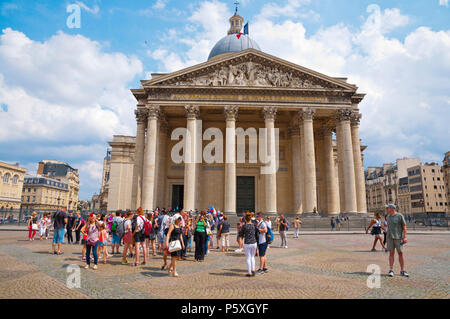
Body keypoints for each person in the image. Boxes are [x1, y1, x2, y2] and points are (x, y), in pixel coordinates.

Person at [385, 204, 409, 277]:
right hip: (390, 238)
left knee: (400, 253)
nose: (387, 209)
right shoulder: (388, 217)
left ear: (392, 209)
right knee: (391, 254)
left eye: (388, 208)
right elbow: (388, 228)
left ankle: (402, 270)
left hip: (399, 238)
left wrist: (404, 237)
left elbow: (404, 227)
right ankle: (391, 270)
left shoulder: (399, 216)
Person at [239, 212, 259, 277]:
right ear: (250, 219)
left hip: (247, 243)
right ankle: (253, 270)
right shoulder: (254, 225)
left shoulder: (244, 226)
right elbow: (257, 233)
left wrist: (241, 241)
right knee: (252, 257)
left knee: (248, 258)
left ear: (245, 219)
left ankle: (249, 272)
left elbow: (241, 235)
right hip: (254, 243)